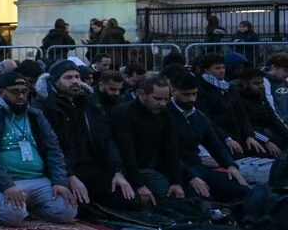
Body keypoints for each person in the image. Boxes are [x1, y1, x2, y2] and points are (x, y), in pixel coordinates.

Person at [0, 72, 77, 227]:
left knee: (68, 211)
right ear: (1, 92)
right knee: (13, 216)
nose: (21, 96)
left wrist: (59, 181)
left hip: (39, 179)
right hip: (6, 182)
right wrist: (7, 185)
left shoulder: (35, 115)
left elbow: (53, 149)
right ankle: (5, 207)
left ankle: (30, 208)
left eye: (24, 92)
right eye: (15, 92)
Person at [35, 61, 139, 211]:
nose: (75, 81)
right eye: (68, 77)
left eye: (77, 76)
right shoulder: (44, 107)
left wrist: (118, 171)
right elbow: (47, 146)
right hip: (67, 170)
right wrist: (68, 175)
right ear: (55, 81)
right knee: (83, 209)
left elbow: (106, 138)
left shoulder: (89, 103)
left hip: (95, 166)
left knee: (130, 202)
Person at [168, 72, 249, 202]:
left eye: (194, 94)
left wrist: (230, 165)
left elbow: (215, 145)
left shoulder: (199, 116)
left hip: (198, 166)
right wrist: (190, 177)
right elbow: (167, 154)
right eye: (186, 95)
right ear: (173, 91)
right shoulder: (165, 115)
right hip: (176, 171)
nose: (191, 99)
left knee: (243, 189)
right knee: (202, 198)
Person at [111, 75, 184, 202]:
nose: (162, 103)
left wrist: (176, 181)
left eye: (166, 99)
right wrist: (140, 185)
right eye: (157, 99)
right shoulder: (124, 113)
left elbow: (171, 147)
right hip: (128, 169)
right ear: (142, 94)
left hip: (152, 165)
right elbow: (126, 151)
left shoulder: (164, 114)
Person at [233, 67, 288, 155]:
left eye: (262, 83)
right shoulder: (238, 99)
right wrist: (266, 141)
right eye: (256, 83)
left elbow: (273, 118)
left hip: (265, 132)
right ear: (245, 84)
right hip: (250, 137)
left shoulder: (260, 96)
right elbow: (245, 126)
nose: (261, 86)